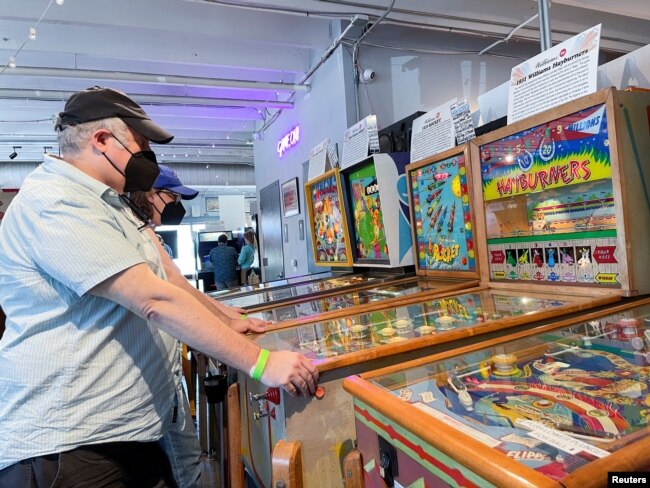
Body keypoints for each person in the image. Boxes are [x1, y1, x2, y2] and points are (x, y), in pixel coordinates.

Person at [0, 86, 318, 487]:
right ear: (101, 140)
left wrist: (223, 319)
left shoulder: (105, 203)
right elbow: (152, 299)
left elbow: (167, 278)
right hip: (72, 448)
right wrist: (261, 362)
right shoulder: (57, 200)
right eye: (141, 143)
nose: (147, 155)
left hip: (123, 438)